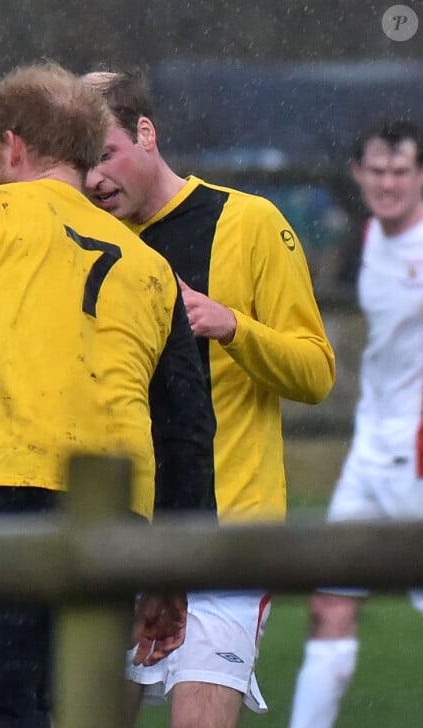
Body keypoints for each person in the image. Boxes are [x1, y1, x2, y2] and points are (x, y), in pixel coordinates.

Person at [0, 62, 215, 728]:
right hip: (120, 522)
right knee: (41, 710)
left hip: (15, 495)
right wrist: (170, 572)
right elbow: (187, 427)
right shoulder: (149, 265)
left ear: (11, 144)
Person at [83, 68, 335, 728]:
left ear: (146, 132)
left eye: (104, 155)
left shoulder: (249, 221)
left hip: (229, 536)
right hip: (121, 534)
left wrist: (233, 326)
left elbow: (315, 372)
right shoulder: (88, 244)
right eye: (82, 164)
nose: (94, 180)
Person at [288, 120, 423, 728]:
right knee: (329, 606)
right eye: (378, 171)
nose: (388, 183)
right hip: (369, 452)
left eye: (401, 172)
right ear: (358, 175)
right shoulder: (368, 236)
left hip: (418, 454)